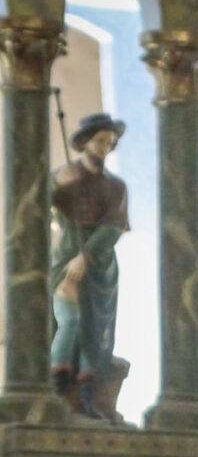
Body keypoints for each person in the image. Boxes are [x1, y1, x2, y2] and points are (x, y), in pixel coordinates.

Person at [51, 113, 130, 421]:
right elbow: (38, 204)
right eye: (100, 141)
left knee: (94, 330)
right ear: (85, 142)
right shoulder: (65, 176)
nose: (105, 147)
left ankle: (87, 399)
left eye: (110, 143)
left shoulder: (116, 186)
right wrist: (59, 184)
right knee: (68, 320)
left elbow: (113, 226)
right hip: (67, 255)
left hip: (99, 266)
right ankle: (57, 393)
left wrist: (87, 257)